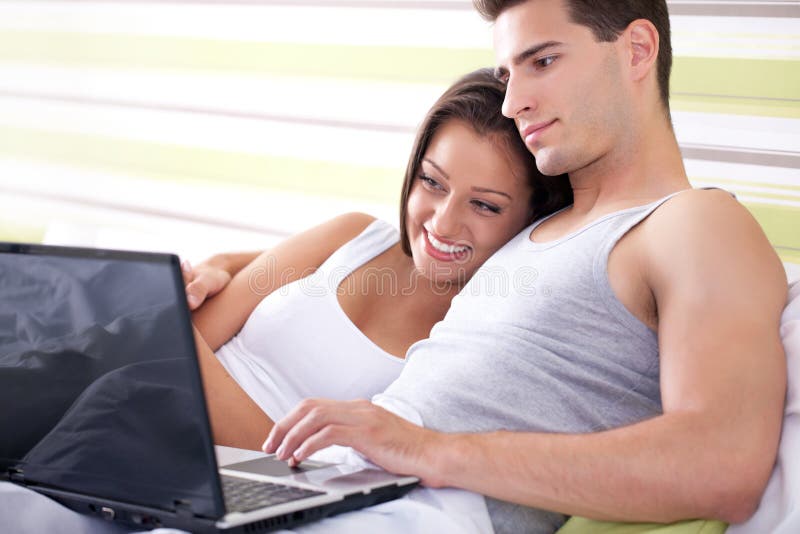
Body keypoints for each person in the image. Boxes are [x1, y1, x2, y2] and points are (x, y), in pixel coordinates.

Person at [259, 1, 789, 533]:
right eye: (508, 75)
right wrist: (234, 270)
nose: (512, 103)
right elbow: (405, 263)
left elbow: (723, 464)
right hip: (333, 488)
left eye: (543, 62)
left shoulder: (693, 223)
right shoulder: (532, 227)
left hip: (419, 512)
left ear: (637, 50)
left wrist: (428, 450)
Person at [186, 68, 572, 450]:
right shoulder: (354, 235)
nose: (443, 222)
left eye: (485, 205)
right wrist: (214, 270)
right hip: (151, 413)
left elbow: (297, 468)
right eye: (432, 181)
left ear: (532, 219)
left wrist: (171, 333)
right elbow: (191, 332)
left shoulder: (473, 343)